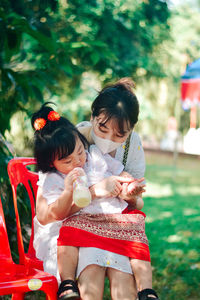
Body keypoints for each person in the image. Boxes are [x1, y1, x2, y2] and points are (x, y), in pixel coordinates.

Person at [35, 78, 159, 300]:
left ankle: (143, 290)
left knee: (122, 272)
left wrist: (128, 193)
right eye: (102, 128)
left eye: (120, 135)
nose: (108, 139)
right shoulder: (70, 141)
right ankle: (70, 283)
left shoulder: (120, 151)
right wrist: (95, 191)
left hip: (112, 220)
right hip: (75, 223)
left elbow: (133, 197)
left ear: (130, 131)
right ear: (92, 117)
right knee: (91, 265)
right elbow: (46, 214)